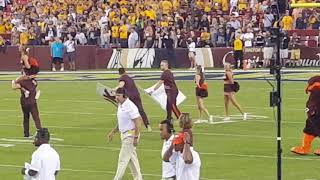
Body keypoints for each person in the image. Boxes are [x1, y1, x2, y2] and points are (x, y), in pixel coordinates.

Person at [107, 88, 143, 180]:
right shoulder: (121, 105)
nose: (116, 97)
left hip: (130, 135)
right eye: (116, 95)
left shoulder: (130, 106)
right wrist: (113, 132)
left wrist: (135, 136)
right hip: (124, 134)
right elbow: (121, 122)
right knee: (132, 159)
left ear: (124, 96)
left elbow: (138, 121)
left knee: (122, 159)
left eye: (118, 95)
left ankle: (117, 178)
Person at [291, 76, 320, 155]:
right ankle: (305, 148)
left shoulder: (316, 85)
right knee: (309, 130)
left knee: (314, 127)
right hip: (314, 112)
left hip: (316, 113)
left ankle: (305, 148)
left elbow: (313, 87)